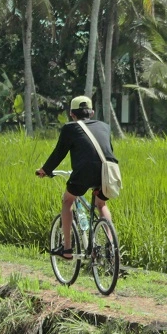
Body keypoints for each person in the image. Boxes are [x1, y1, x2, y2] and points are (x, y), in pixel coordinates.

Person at [36, 96, 118, 259]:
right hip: (108, 170)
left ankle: (66, 249)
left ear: (72, 114)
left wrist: (45, 170)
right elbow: (108, 149)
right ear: (92, 113)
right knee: (101, 204)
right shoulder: (105, 126)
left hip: (84, 171)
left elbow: (59, 153)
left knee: (68, 201)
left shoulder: (70, 128)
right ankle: (111, 246)